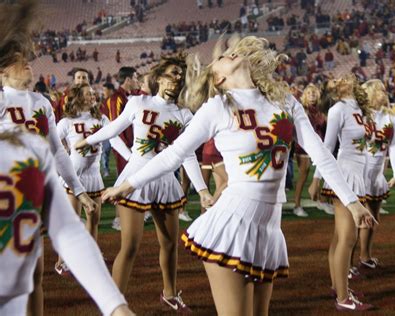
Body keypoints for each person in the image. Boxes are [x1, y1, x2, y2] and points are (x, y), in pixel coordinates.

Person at [100, 36, 375, 315]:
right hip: (231, 224)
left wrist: (351, 201)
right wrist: (128, 184)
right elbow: (174, 154)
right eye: (221, 58)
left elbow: (320, 154)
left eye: (229, 53)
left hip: (269, 228)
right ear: (218, 79)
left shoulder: (286, 101)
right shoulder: (217, 108)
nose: (228, 56)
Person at [0, 1, 130, 315]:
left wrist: (82, 193)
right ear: (3, 70)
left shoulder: (41, 104)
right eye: (20, 61)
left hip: (23, 199)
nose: (29, 64)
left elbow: (58, 152)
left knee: (33, 276)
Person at [76, 53, 209, 313]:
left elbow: (188, 155)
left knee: (170, 244)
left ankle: (170, 294)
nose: (175, 80)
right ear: (158, 78)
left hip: (165, 182)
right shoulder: (138, 102)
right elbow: (114, 128)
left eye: (179, 76)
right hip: (134, 176)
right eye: (171, 74)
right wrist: (88, 140)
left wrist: (202, 190)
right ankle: (113, 305)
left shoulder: (185, 114)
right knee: (130, 246)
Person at [308, 74, 376, 311]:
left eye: (348, 76)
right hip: (345, 172)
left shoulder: (360, 108)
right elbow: (326, 147)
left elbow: (368, 146)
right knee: (348, 238)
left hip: (359, 173)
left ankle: (339, 287)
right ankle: (343, 299)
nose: (344, 78)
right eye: (340, 78)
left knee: (341, 237)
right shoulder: (338, 109)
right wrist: (317, 179)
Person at [54, 83, 131, 274]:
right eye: (88, 94)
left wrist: (130, 158)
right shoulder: (66, 122)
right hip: (74, 176)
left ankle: (90, 255)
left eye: (93, 93)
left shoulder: (101, 119)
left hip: (94, 176)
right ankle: (63, 259)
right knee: (72, 221)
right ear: (78, 97)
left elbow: (114, 139)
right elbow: (52, 144)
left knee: (93, 219)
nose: (93, 96)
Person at [358, 79, 395, 272]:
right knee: (355, 220)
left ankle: (365, 256)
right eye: (380, 90)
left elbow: (394, 145)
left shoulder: (392, 116)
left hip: (376, 174)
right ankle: (348, 263)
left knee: (373, 217)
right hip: (358, 172)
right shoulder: (359, 115)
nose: (385, 93)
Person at [101, 67, 140, 230]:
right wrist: (127, 150)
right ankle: (118, 218)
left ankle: (132, 214)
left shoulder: (130, 97)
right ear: (128, 79)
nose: (137, 81)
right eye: (135, 77)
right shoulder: (116, 99)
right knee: (123, 181)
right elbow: (115, 127)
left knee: (134, 181)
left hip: (134, 147)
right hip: (126, 148)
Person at [292, 83, 326, 217]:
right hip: (303, 146)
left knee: (323, 172)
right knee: (304, 174)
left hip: (318, 145)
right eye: (309, 93)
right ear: (304, 96)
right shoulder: (302, 109)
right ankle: (297, 205)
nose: (312, 95)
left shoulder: (320, 110)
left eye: (314, 93)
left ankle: (321, 200)